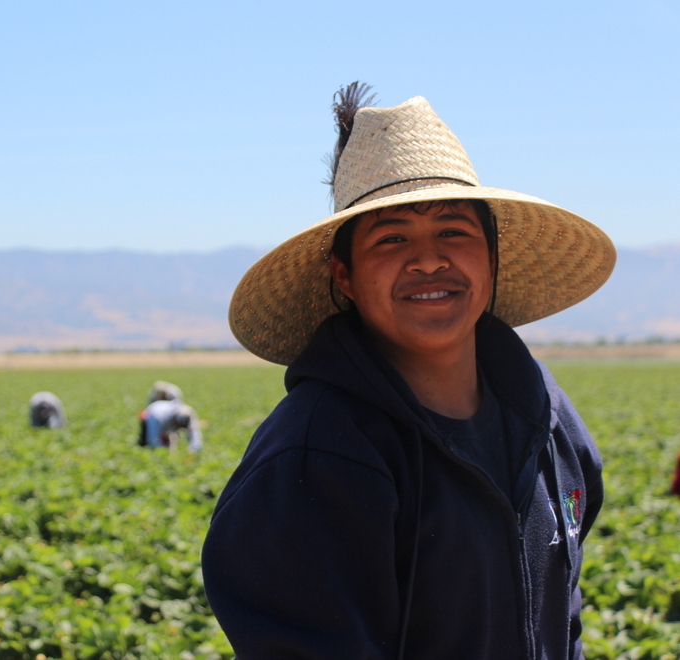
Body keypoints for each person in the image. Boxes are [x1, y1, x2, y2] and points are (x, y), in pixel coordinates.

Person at [201, 84, 616, 659]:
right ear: (345, 277)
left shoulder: (548, 419)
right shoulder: (319, 455)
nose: (427, 260)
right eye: (392, 238)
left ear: (491, 260)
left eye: (453, 230)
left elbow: (560, 617)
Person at [138, 399, 202, 452]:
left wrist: (194, 449)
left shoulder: (188, 414)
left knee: (170, 441)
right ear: (175, 421)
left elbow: (194, 434)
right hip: (151, 414)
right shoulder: (157, 418)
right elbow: (152, 439)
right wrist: (163, 451)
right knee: (145, 443)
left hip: (164, 415)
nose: (179, 428)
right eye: (178, 425)